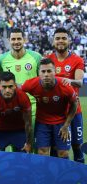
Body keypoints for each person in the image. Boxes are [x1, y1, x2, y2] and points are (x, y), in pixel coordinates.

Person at [22, 58, 77, 159]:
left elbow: (74, 104)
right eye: (43, 71)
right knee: (42, 153)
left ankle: (63, 174)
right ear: (38, 73)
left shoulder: (65, 86)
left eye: (49, 71)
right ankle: (45, 175)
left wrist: (66, 125)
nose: (46, 74)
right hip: (42, 123)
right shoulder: (31, 84)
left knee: (63, 153)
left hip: (61, 123)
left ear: (55, 72)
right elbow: (19, 89)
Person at [0, 28, 42, 151]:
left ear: (24, 40)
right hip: (12, 108)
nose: (16, 42)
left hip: (33, 107)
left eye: (19, 39)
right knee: (17, 145)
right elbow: (1, 80)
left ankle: (35, 169)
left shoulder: (36, 57)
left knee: (34, 143)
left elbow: (41, 81)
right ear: (9, 40)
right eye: (13, 39)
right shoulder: (2, 59)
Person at [46, 27, 85, 163]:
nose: (60, 41)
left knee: (77, 146)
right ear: (53, 41)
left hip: (74, 111)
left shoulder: (77, 60)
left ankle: (81, 179)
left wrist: (69, 81)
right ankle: (59, 181)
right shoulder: (48, 60)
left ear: (69, 40)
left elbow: (79, 82)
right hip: (55, 112)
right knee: (58, 149)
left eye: (63, 38)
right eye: (57, 38)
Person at [0, 71, 32, 152]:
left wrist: (28, 143)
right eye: (4, 87)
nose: (7, 90)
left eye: (10, 86)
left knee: (23, 159)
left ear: (15, 86)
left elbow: (28, 123)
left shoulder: (23, 97)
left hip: (19, 130)